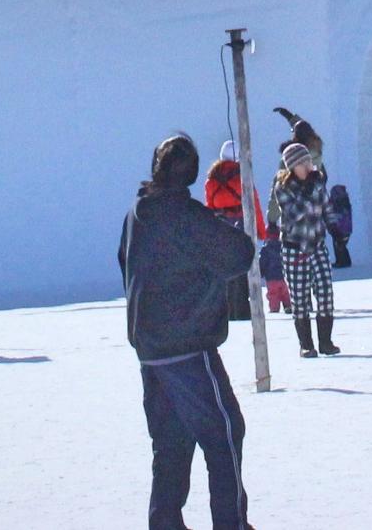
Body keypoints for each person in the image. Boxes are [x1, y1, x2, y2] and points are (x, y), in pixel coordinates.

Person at [118, 134, 256, 530]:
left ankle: (164, 522)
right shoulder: (186, 215)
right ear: (192, 174)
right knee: (225, 433)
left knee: (171, 441)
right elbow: (238, 255)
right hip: (187, 348)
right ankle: (231, 524)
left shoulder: (138, 211)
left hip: (150, 348)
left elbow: (123, 262)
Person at [272, 143, 340, 357]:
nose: (309, 166)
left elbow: (326, 206)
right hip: (294, 247)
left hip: (317, 245)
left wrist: (335, 228)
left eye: (309, 161)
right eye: (304, 163)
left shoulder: (318, 181)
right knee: (299, 296)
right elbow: (295, 213)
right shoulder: (283, 188)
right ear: (293, 166)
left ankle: (326, 341)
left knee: (325, 291)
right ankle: (306, 344)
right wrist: (310, 193)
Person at [204, 140, 266, 320]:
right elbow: (254, 205)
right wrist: (261, 231)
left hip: (219, 230)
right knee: (242, 270)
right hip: (242, 229)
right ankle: (243, 310)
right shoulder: (243, 177)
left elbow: (209, 207)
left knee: (224, 272)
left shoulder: (211, 180)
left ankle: (227, 310)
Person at [259, 224, 291, 314]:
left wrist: (261, 272)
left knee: (273, 295)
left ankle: (274, 310)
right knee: (285, 293)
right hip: (283, 276)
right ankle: (288, 306)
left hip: (271, 278)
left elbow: (262, 262)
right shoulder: (283, 246)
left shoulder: (265, 249)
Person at [326, 184, 353, 268]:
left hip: (339, 228)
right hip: (343, 228)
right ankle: (343, 261)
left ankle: (342, 262)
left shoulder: (339, 203)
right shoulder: (344, 203)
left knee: (339, 244)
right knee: (340, 244)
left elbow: (334, 214)